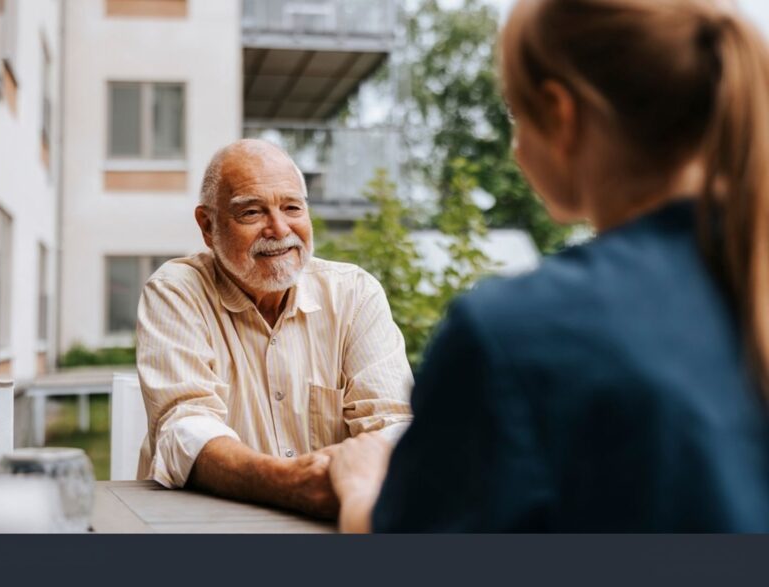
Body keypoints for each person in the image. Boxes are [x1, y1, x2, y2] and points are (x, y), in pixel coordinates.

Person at [329, 0, 769, 532]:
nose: (515, 150)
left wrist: (361, 490)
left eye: (517, 115)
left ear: (562, 115)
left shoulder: (512, 337)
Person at [136, 139, 413, 518]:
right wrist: (290, 482)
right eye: (251, 212)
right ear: (207, 225)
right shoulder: (176, 291)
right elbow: (184, 429)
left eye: (292, 207)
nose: (280, 229)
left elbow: (394, 423)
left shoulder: (354, 293)